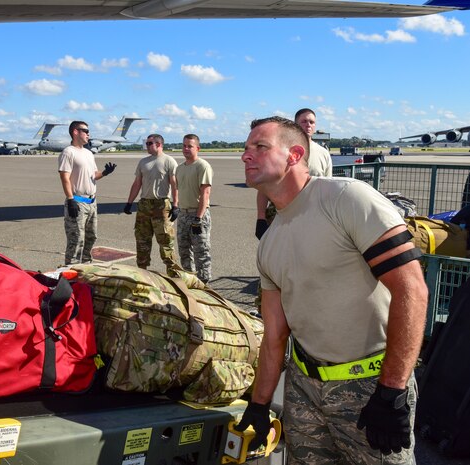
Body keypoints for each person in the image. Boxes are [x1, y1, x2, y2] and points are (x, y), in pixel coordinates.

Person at [238, 116, 428, 464]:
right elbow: (275, 335)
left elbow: (411, 290)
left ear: (294, 154)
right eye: (246, 148)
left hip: (370, 387)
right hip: (304, 391)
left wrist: (392, 389)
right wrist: (260, 403)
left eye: (260, 147)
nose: (246, 156)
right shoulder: (269, 244)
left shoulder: (345, 199)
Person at [255, 108, 332, 239]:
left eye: (312, 122)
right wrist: (261, 219)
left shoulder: (323, 154)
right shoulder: (281, 151)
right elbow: (264, 188)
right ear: (295, 125)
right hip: (281, 215)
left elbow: (328, 188)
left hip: (312, 215)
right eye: (304, 121)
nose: (308, 125)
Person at [58, 121, 116, 265]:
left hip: (92, 203)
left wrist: (105, 173)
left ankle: (85, 266)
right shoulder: (68, 152)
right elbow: (64, 177)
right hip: (77, 201)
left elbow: (93, 175)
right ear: (75, 132)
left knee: (91, 237)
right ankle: (71, 270)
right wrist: (70, 199)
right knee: (76, 239)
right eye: (85, 131)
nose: (88, 134)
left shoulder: (89, 153)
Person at [123, 134, 180, 274]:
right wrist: (129, 202)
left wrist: (176, 205)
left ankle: (173, 274)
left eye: (149, 143)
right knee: (142, 240)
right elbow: (137, 184)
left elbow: (174, 185)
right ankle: (142, 272)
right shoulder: (143, 162)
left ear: (159, 144)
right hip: (144, 205)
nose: (146, 146)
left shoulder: (169, 161)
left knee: (166, 241)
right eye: (146, 143)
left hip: (161, 205)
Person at [176, 134, 213, 284]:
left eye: (190, 146)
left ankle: (204, 283)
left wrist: (198, 218)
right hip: (183, 215)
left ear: (197, 148)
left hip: (197, 215)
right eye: (184, 145)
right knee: (184, 251)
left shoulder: (202, 166)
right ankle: (189, 281)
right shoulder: (180, 168)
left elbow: (205, 193)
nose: (186, 149)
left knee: (201, 252)